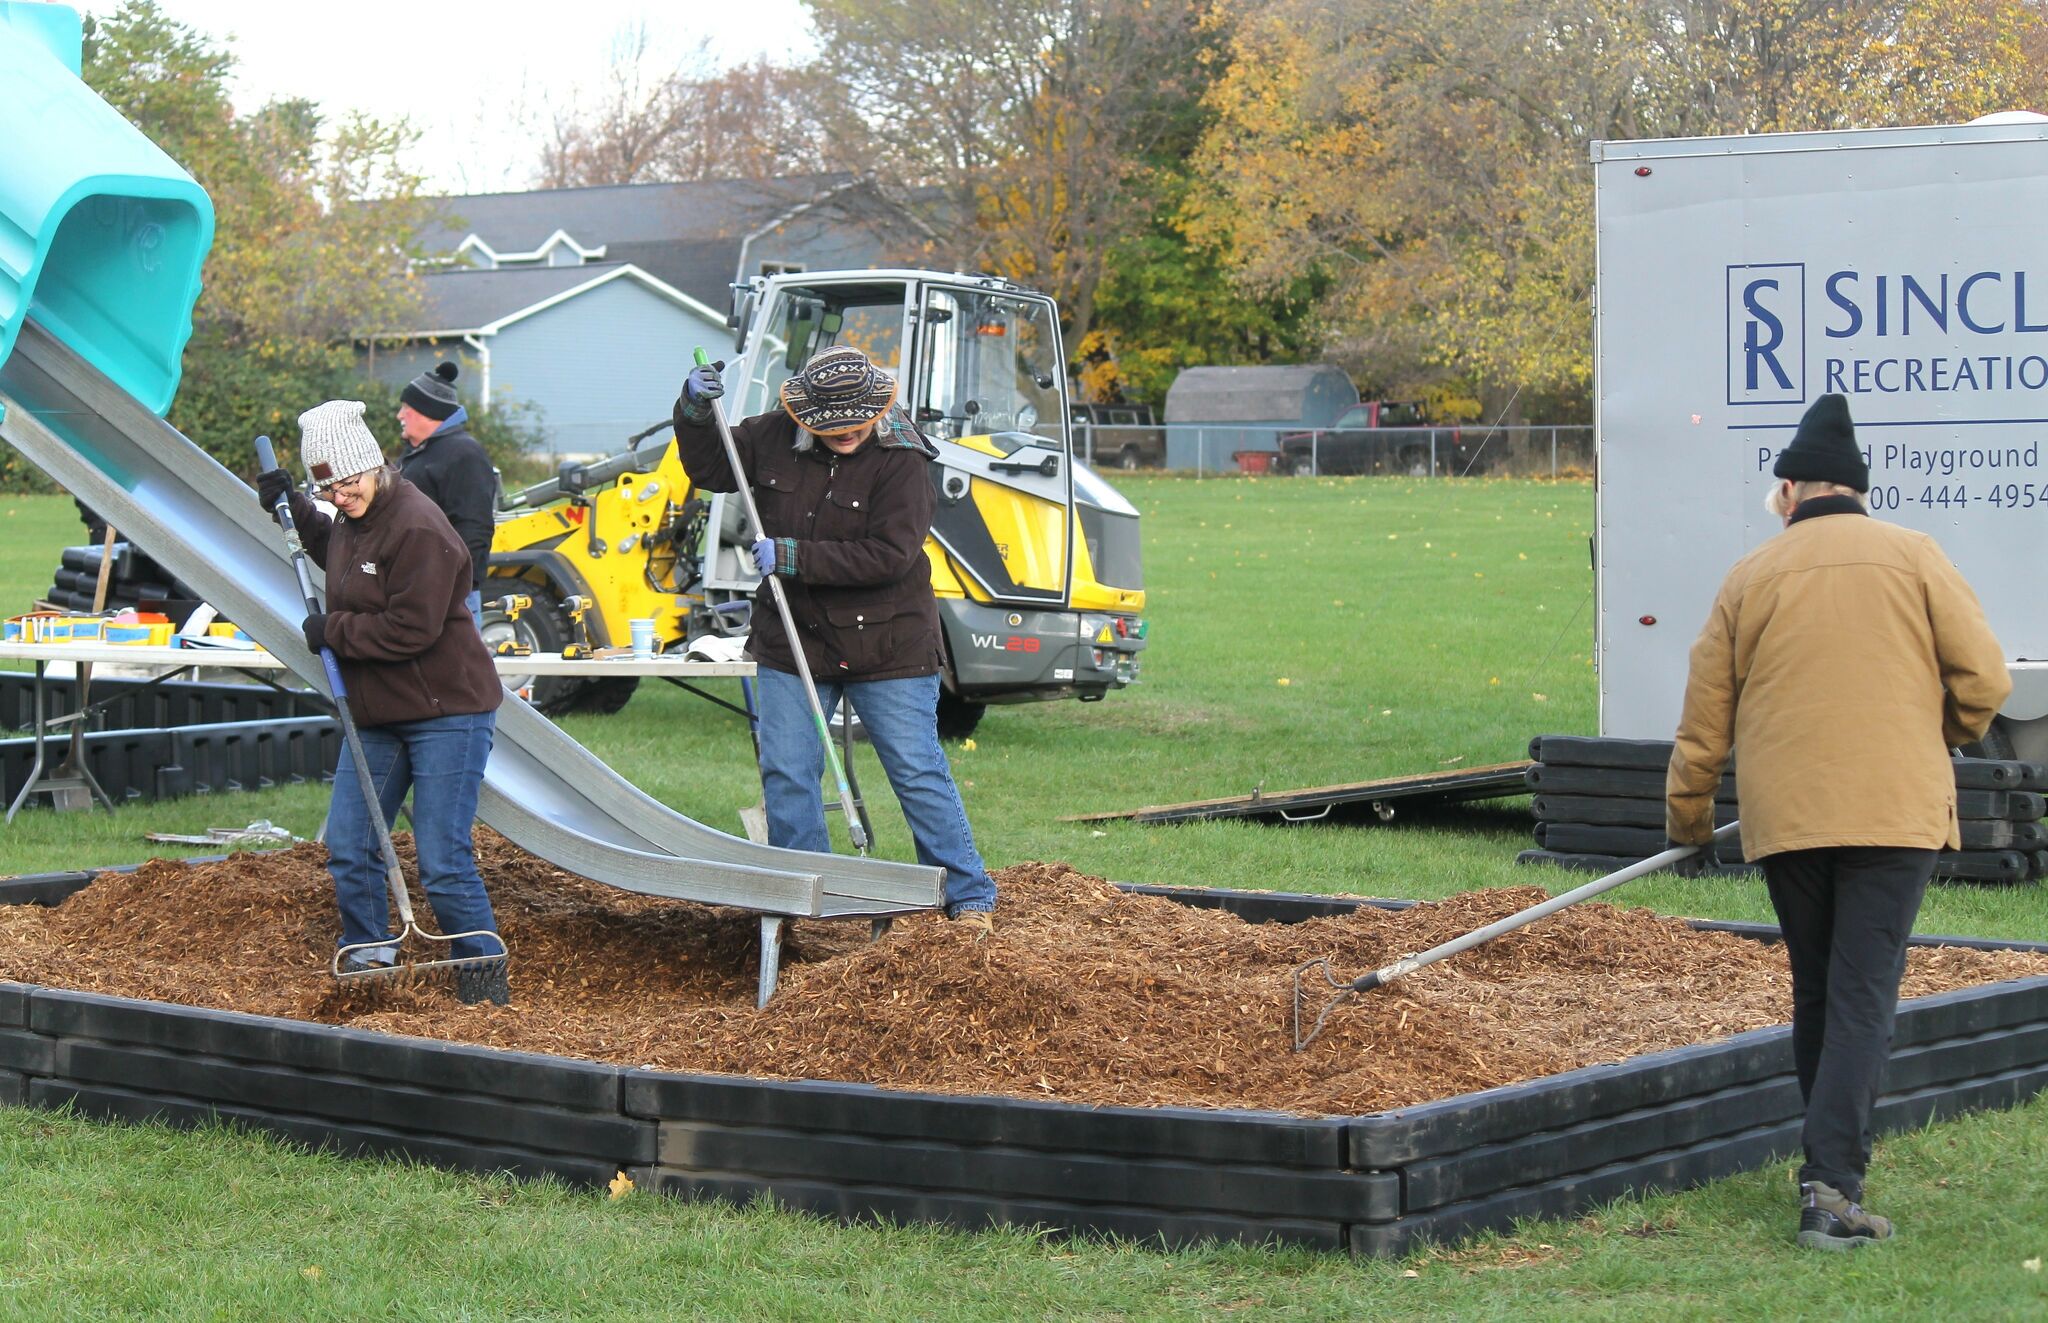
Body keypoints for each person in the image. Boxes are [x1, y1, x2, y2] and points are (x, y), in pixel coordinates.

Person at [1665, 392, 2009, 1251]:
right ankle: (1832, 1186)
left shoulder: (1749, 577)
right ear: (1858, 488)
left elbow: (1705, 719)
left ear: (1789, 490)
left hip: (1791, 816)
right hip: (1896, 815)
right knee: (1863, 994)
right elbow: (1985, 682)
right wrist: (1941, 734)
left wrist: (1691, 822)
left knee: (1818, 989)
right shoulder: (1915, 554)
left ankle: (1825, 1170)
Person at [671, 347, 999, 934]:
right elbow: (711, 469)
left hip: (890, 643)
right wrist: (695, 412)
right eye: (832, 424)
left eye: (856, 422)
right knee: (789, 773)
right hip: (793, 639)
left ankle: (964, 895)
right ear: (804, 416)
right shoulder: (771, 435)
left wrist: (794, 555)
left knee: (916, 769)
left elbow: (891, 555)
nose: (846, 432)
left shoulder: (902, 458)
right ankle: (811, 895)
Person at [257, 400, 511, 1004]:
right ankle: (371, 962)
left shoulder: (419, 527)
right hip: (378, 712)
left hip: (447, 710)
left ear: (373, 465)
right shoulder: (353, 514)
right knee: (350, 846)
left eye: (346, 483)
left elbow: (410, 630)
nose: (340, 497)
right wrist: (290, 503)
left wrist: (332, 632)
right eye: (329, 488)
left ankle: (483, 985)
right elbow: (335, 550)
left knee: (444, 860)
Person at [394, 361, 496, 624]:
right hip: (415, 590)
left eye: (407, 408)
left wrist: (454, 587)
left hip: (449, 598)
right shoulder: (416, 454)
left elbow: (475, 527)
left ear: (428, 412)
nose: (399, 415)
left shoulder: (464, 454)